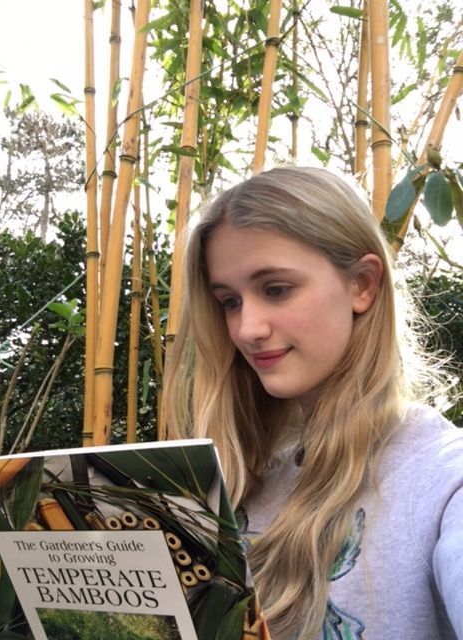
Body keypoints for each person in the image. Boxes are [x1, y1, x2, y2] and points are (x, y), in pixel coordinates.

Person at [162, 165, 463, 639]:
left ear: (362, 284)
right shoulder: (240, 486)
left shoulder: (443, 478)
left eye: (276, 290)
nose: (247, 329)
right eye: (229, 302)